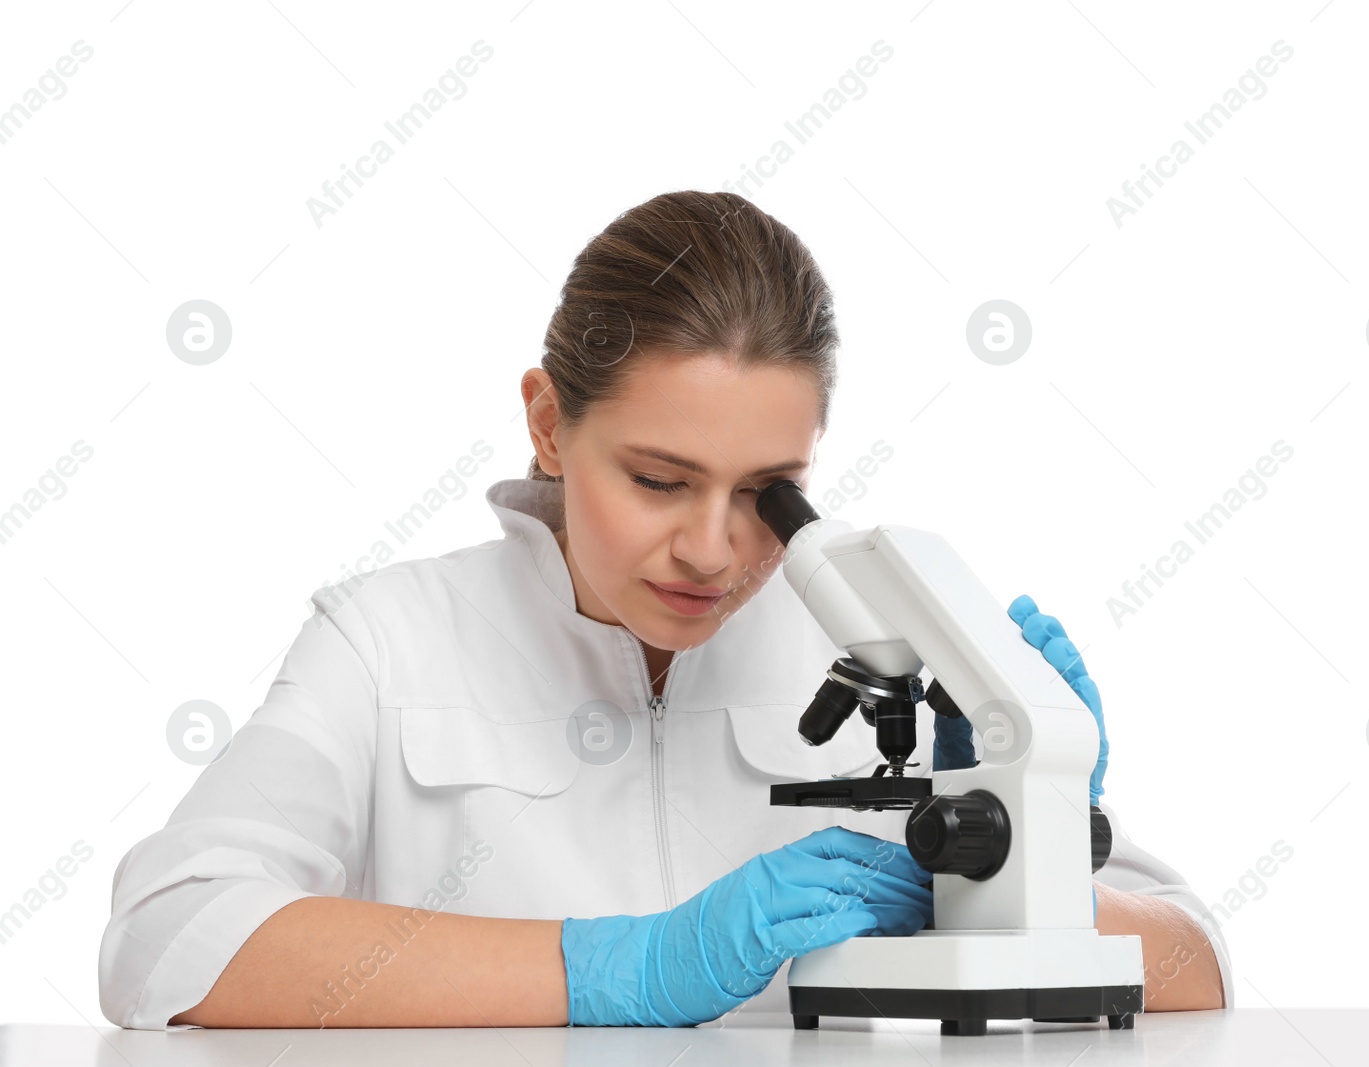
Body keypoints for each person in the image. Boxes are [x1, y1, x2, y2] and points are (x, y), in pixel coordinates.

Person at [97, 190, 1231, 1029]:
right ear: (548, 422)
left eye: (765, 492)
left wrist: (1026, 860)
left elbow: (1197, 962)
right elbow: (166, 939)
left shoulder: (880, 636)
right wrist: (621, 966)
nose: (711, 547)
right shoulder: (392, 637)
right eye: (656, 478)